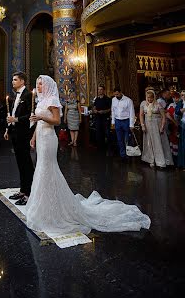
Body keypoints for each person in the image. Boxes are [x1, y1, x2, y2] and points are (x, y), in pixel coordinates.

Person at [26, 75, 150, 237]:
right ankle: (43, 203)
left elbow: (56, 120)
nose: (39, 86)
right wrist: (34, 137)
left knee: (47, 168)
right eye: (37, 84)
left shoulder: (52, 100)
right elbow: (38, 123)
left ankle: (52, 204)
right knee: (40, 167)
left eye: (41, 84)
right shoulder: (40, 101)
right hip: (41, 136)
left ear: (48, 85)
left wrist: (41, 117)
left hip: (49, 138)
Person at [4, 71, 33, 206]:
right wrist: (8, 129)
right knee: (20, 163)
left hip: (24, 134)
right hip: (15, 132)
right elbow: (13, 113)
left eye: (15, 80)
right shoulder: (16, 95)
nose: (13, 82)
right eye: (13, 80)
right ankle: (22, 190)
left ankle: (29, 192)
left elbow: (30, 116)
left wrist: (15, 119)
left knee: (26, 163)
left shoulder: (28, 95)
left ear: (22, 81)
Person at [139, 89, 173, 168]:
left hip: (157, 125)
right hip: (148, 125)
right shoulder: (143, 104)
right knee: (149, 142)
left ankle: (161, 161)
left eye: (151, 97)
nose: (149, 99)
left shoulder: (158, 104)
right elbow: (141, 115)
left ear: (154, 97)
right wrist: (142, 125)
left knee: (159, 142)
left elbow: (163, 116)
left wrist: (162, 127)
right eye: (148, 98)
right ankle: (151, 160)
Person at [111, 87, 135, 160]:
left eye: (117, 94)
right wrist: (113, 122)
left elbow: (132, 112)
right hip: (117, 121)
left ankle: (129, 154)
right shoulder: (113, 100)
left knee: (127, 138)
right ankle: (122, 155)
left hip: (126, 121)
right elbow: (113, 111)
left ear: (121, 92)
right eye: (115, 94)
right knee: (119, 139)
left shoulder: (128, 100)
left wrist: (131, 124)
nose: (116, 96)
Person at [92, 85, 111, 150]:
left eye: (101, 89)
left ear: (104, 90)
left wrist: (104, 111)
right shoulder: (96, 99)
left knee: (107, 133)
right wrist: (94, 110)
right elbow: (94, 107)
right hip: (98, 118)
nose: (99, 91)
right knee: (98, 132)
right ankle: (100, 147)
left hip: (105, 118)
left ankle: (108, 147)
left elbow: (110, 109)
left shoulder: (107, 99)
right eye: (98, 89)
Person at [175, 91, 185, 169]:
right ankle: (183, 164)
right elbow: (177, 112)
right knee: (183, 144)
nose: (183, 96)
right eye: (182, 95)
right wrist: (183, 109)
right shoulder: (180, 103)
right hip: (183, 125)